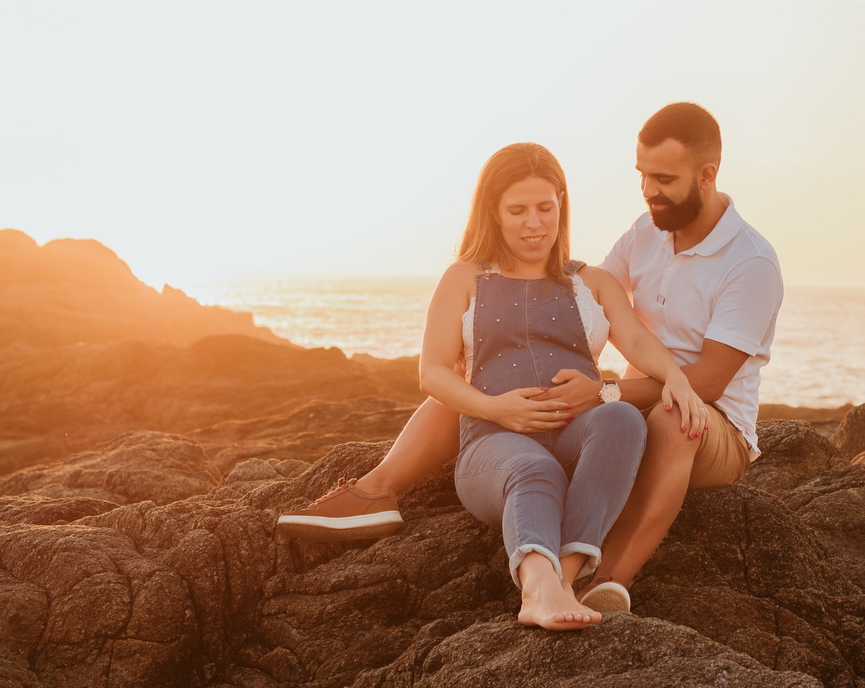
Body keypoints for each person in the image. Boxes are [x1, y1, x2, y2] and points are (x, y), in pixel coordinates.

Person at [279, 102, 782, 612]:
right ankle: (375, 490)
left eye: (663, 179)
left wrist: (606, 391)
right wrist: (486, 369)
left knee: (666, 416)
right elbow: (579, 298)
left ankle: (603, 581)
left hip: (706, 413)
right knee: (482, 396)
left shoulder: (751, 262)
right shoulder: (646, 231)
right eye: (642, 176)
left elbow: (703, 380)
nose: (648, 190)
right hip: (630, 400)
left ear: (706, 175)